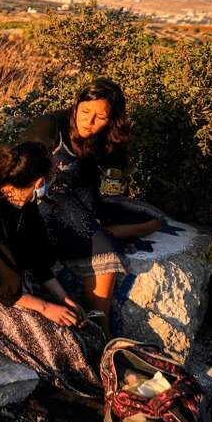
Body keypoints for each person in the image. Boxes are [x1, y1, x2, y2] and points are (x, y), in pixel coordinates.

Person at [0, 141, 106, 396]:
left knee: (80, 325)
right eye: (48, 176)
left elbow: (38, 259)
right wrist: (46, 308)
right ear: (37, 182)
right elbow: (3, 289)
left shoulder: (23, 206)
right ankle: (88, 388)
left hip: (16, 283)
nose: (50, 181)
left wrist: (63, 298)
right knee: (61, 343)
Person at [21, 79, 162, 335]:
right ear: (76, 106)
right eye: (85, 112)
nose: (89, 122)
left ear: (112, 119)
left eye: (100, 116)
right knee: (104, 250)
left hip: (85, 199)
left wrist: (114, 180)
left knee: (153, 219)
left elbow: (115, 180)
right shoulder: (51, 126)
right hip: (46, 202)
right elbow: (21, 174)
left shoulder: (108, 138)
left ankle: (106, 229)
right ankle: (102, 329)